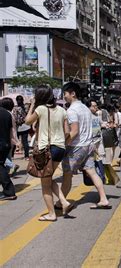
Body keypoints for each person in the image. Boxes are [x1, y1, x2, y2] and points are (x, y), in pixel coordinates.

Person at [25, 85, 73, 221]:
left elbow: (27, 121)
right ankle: (63, 201)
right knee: (48, 177)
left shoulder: (40, 109)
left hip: (46, 149)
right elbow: (68, 131)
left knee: (45, 184)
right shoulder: (62, 110)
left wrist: (32, 104)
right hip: (60, 148)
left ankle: (52, 214)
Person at [62, 82, 111, 209]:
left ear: (73, 94)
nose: (64, 97)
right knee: (93, 173)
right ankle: (103, 199)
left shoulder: (72, 110)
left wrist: (64, 143)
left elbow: (74, 131)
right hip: (89, 145)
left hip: (77, 146)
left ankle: (61, 202)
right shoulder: (85, 108)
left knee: (67, 174)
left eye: (65, 94)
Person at [0, 101, 16, 201]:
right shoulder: (7, 114)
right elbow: (12, 131)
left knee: (0, 167)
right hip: (6, 144)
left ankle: (9, 191)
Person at [0, 98, 20, 176]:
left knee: (4, 157)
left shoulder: (6, 114)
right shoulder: (10, 114)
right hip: (9, 140)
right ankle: (8, 172)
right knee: (7, 157)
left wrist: (16, 141)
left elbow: (12, 130)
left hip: (7, 139)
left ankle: (10, 168)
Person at [12, 95, 30, 160]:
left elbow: (14, 118)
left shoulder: (14, 108)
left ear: (16, 100)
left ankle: (11, 155)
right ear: (23, 100)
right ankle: (26, 156)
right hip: (25, 126)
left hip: (17, 127)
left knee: (14, 141)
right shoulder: (26, 107)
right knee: (25, 142)